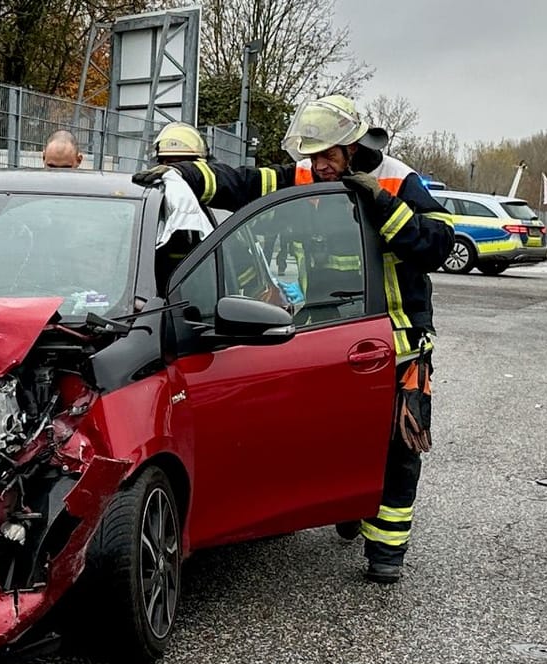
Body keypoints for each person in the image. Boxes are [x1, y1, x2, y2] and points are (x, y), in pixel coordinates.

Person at [132, 94, 454, 584]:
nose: (317, 167)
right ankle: (345, 501)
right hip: (325, 332)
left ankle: (386, 551)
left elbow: (439, 244)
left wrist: (382, 204)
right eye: (311, 157)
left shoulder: (397, 178)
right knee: (328, 433)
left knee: (397, 449)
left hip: (395, 338)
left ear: (351, 147)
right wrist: (185, 175)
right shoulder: (306, 176)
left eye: (327, 156)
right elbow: (242, 183)